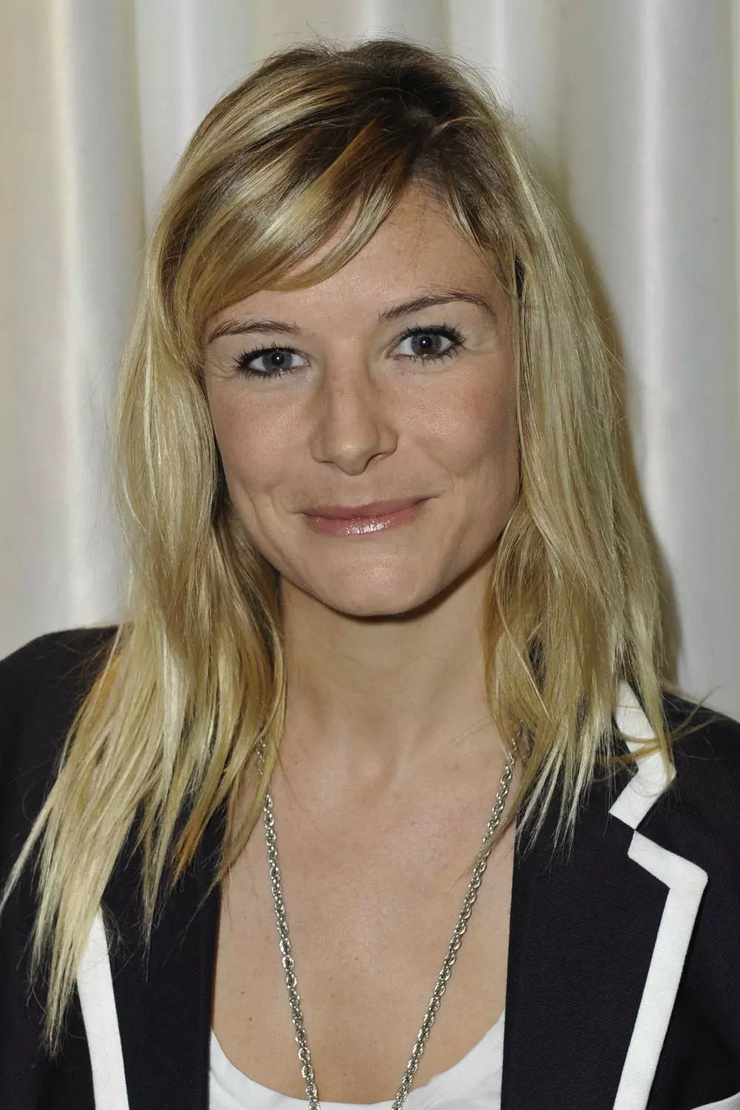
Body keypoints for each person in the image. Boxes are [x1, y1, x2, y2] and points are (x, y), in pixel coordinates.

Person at [1, 35, 739, 1110]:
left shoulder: (719, 835)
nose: (348, 437)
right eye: (271, 358)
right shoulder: (30, 759)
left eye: (424, 342)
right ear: (198, 406)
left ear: (534, 362)